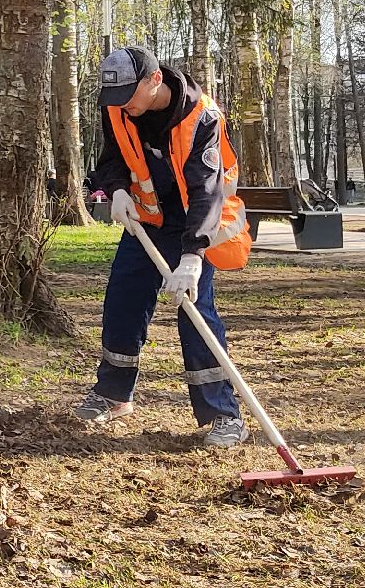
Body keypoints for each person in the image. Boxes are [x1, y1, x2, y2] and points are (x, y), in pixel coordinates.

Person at [75, 45, 253, 448]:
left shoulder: (201, 117)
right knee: (122, 299)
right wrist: (117, 189)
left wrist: (192, 256)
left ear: (154, 80)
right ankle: (114, 394)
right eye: (115, 98)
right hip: (147, 220)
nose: (122, 106)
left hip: (196, 222)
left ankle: (223, 414)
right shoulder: (119, 106)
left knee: (195, 311)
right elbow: (112, 158)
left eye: (129, 96)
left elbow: (207, 192)